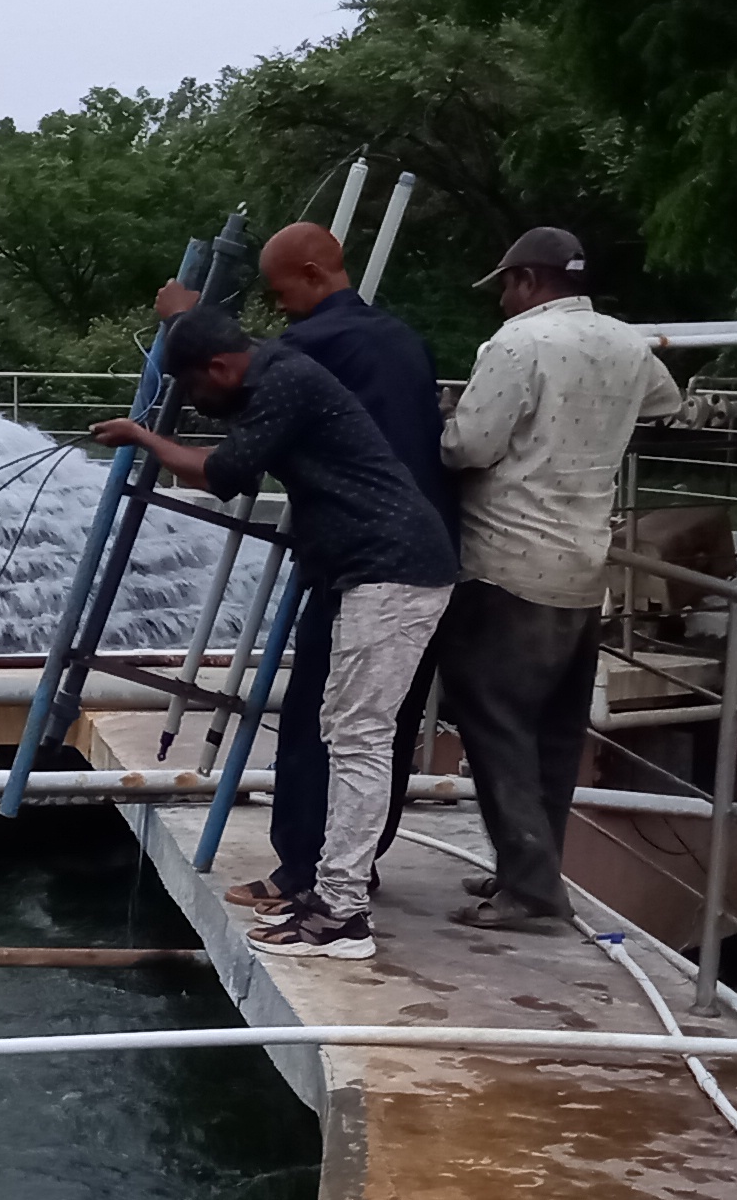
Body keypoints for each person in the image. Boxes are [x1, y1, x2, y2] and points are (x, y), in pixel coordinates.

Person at [94, 307, 462, 960]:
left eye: (196, 389)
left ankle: (343, 916)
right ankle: (328, 898)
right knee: (349, 732)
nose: (200, 404)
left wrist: (140, 437)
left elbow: (221, 475)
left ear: (219, 367)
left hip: (392, 570)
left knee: (360, 740)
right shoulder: (278, 374)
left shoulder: (282, 382)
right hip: (378, 569)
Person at [163, 223, 456, 921]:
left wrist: (184, 322)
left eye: (281, 290)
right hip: (418, 548)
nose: (279, 309)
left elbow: (231, 434)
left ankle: (316, 880)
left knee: (327, 728)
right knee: (381, 727)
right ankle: (352, 867)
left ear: (316, 270)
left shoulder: (301, 356)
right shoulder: (402, 343)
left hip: (367, 562)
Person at [432, 226, 685, 932]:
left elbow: (469, 446)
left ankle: (533, 891)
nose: (503, 302)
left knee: (495, 725)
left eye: (506, 287)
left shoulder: (516, 345)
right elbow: (666, 403)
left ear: (531, 280)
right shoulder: (629, 343)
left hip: (506, 562)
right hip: (582, 565)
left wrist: (442, 422)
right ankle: (529, 870)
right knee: (552, 732)